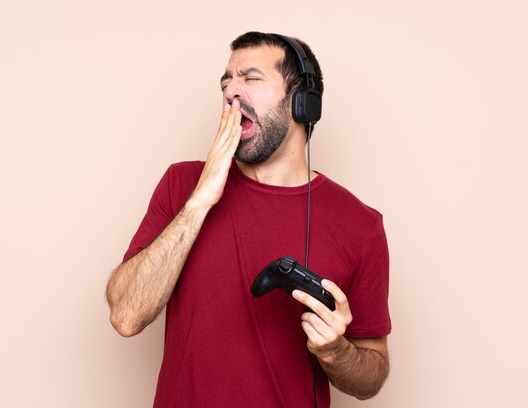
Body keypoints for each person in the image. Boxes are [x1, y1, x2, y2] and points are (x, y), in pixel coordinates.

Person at [106, 31, 391, 408]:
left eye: (250, 78)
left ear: (302, 104)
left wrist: (336, 351)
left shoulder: (359, 225)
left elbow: (371, 377)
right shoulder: (183, 184)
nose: (231, 92)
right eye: (227, 82)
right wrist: (200, 201)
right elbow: (126, 316)